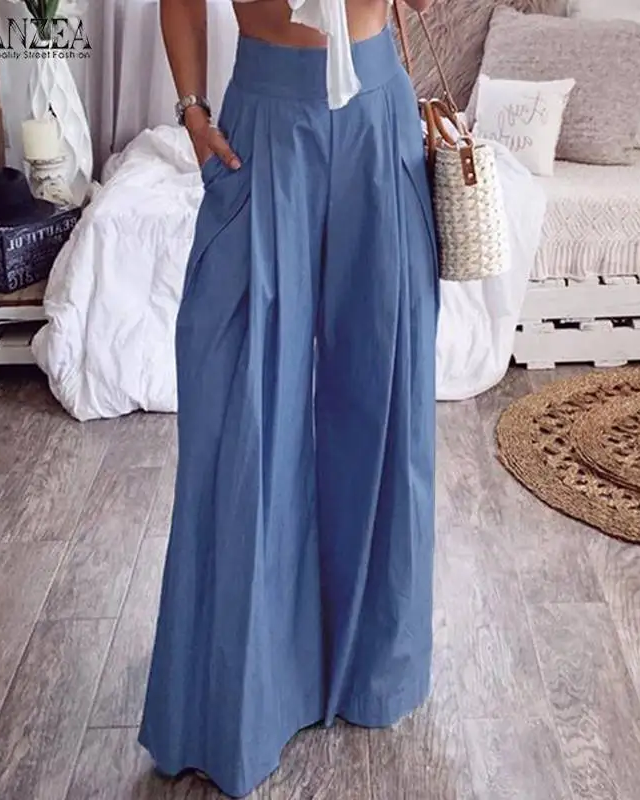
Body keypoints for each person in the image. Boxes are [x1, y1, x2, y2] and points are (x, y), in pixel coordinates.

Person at [139, 0, 438, 796]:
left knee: (383, 393)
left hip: (377, 112)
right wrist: (191, 108)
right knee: (239, 405)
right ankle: (239, 692)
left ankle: (373, 665)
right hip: (264, 119)